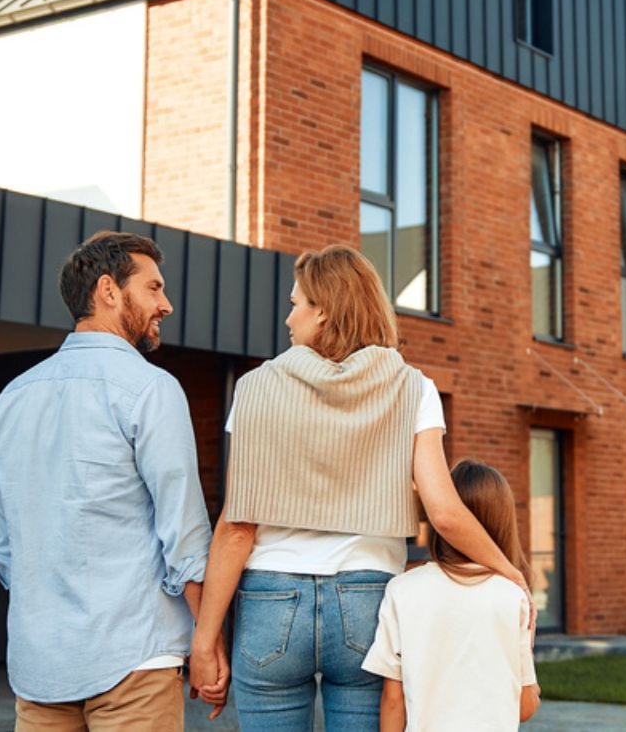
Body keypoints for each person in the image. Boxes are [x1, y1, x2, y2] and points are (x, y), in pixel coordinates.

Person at [190, 244, 529, 732]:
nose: (289, 318)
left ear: (323, 309)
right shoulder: (414, 388)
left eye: (296, 303)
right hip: (367, 600)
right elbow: (444, 511)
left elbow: (237, 526)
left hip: (270, 600)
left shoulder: (255, 387)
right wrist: (510, 571)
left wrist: (205, 642)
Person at [0, 231, 224, 730]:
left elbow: (9, 549)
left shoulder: (11, 398)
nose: (167, 304)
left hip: (39, 665)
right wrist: (208, 643)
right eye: (153, 288)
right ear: (108, 291)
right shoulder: (150, 389)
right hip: (133, 658)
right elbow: (183, 536)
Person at [363, 459, 541, 731]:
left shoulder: (402, 589)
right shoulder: (512, 597)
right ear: (502, 523)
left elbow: (392, 701)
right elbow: (524, 707)